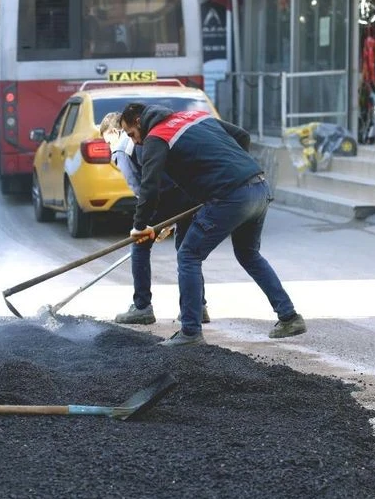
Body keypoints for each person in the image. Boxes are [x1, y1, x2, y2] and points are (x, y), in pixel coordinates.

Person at [120, 102, 305, 346]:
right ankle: (289, 317)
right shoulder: (195, 117)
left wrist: (140, 225)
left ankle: (190, 332)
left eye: (132, 134)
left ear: (139, 122)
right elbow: (242, 136)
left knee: (188, 255)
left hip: (231, 197)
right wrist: (234, 170)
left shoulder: (157, 136)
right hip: (259, 186)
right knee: (248, 254)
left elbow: (149, 186)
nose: (135, 143)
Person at [101, 112, 207, 327]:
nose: (108, 146)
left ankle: (142, 307)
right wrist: (167, 221)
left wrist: (149, 223)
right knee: (187, 252)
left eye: (106, 140)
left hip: (162, 197)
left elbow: (140, 188)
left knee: (139, 245)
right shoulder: (150, 137)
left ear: (114, 131)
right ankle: (197, 307)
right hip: (187, 194)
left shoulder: (122, 147)